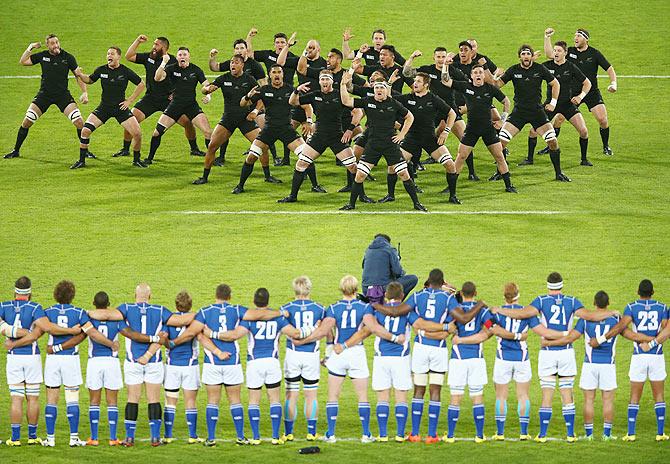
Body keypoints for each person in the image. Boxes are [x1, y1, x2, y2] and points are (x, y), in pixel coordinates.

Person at [492, 272, 620, 442]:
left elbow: (523, 314)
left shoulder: (541, 301)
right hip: (566, 351)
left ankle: (542, 435)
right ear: (561, 285)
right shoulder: (572, 301)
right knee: (567, 392)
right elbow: (589, 316)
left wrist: (499, 309)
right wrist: (610, 313)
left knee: (547, 393)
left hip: (547, 353)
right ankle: (570, 434)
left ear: (548, 285)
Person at [87, 283, 194, 447]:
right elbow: (181, 319)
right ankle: (155, 437)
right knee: (154, 399)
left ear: (134, 295)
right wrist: (205, 315)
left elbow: (106, 315)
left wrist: (86, 313)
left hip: (133, 362)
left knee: (132, 399)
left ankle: (129, 438)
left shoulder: (126, 309)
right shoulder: (160, 311)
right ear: (150, 296)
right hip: (154, 362)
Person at [10, 281, 113, 447]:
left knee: (52, 399)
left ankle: (50, 439)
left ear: (55, 295)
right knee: (72, 399)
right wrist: (111, 344)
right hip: (70, 359)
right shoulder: (79, 312)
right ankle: (73, 438)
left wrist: (14, 343)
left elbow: (35, 334)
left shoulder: (48, 312)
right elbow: (88, 333)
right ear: (72, 295)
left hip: (53, 360)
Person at [211, 288, 314, 445]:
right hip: (272, 362)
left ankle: (256, 437)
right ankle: (274, 437)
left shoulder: (250, 318)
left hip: (254, 363)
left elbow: (234, 335)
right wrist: (314, 327)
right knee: (274, 400)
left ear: (254, 301)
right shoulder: (278, 318)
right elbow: (295, 333)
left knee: (254, 401)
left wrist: (212, 334)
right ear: (268, 300)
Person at [290, 275, 380, 443]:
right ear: (356, 288)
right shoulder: (365, 307)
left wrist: (303, 340)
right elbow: (370, 328)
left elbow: (324, 331)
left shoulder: (333, 308)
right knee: (362, 396)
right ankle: (366, 434)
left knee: (333, 395)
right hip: (356, 353)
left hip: (338, 354)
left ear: (341, 289)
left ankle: (331, 434)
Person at [363, 282, 449, 442]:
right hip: (401, 358)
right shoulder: (407, 311)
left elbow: (370, 327)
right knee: (401, 396)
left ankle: (382, 435)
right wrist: (444, 327)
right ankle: (400, 434)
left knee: (383, 396)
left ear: (386, 296)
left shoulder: (376, 310)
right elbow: (420, 325)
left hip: (381, 357)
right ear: (402, 295)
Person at [1, 276, 81, 446]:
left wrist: (12, 337)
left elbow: (3, 328)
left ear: (15, 291)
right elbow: (48, 328)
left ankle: (15, 439)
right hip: (32, 357)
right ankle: (32, 436)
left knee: (16, 398)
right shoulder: (35, 308)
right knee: (33, 398)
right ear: (29, 292)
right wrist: (71, 330)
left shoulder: (4, 306)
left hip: (13, 357)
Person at [168, 284, 249, 446]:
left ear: (215, 295)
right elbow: (250, 322)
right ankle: (240, 437)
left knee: (213, 400)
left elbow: (194, 333)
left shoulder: (205, 312)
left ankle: (211, 438)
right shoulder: (238, 310)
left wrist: (174, 342)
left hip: (212, 363)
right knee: (235, 400)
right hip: (232, 361)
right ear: (230, 296)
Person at [541, 291, 621, 441]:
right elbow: (626, 331)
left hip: (590, 365)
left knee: (589, 400)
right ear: (608, 303)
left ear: (594, 303)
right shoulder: (615, 320)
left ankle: (589, 435)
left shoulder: (585, 320)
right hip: (608, 365)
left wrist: (549, 343)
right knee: (608, 400)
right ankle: (607, 435)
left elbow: (570, 338)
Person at [339, 74, 426, 211]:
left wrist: (402, 134)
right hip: (373, 144)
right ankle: (351, 204)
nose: (379, 89)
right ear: (374, 89)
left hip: (390, 145)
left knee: (404, 174)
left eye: (382, 87)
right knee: (360, 174)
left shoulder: (394, 103)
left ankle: (416, 203)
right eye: (377, 87)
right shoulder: (367, 101)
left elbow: (409, 116)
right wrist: (343, 85)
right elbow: (346, 101)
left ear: (386, 90)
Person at [595, 279, 667, 441]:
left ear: (637, 292)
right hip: (656, 356)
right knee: (659, 396)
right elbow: (666, 329)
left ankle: (631, 433)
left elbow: (622, 328)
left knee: (634, 396)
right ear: (653, 292)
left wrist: (602, 338)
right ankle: (660, 433)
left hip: (639, 356)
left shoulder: (632, 307)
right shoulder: (662, 308)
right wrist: (654, 342)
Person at [193, 54, 280, 185]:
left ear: (242, 65)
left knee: (263, 146)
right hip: (228, 119)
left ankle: (267, 176)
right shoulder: (224, 78)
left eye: (236, 62)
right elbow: (207, 89)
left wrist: (255, 111)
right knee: (211, 146)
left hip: (245, 119)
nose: (232, 65)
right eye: (231, 63)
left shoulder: (249, 80)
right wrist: (206, 90)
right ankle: (204, 177)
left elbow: (261, 98)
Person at [4, 34, 91, 163]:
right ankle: (16, 150)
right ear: (47, 45)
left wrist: (85, 92)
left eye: (57, 42)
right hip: (44, 95)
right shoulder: (43, 56)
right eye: (52, 43)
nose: (55, 45)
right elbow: (23, 61)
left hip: (62, 96)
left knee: (79, 123)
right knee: (27, 122)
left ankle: (86, 152)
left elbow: (78, 75)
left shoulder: (68, 57)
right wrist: (30, 47)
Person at [278, 69, 360, 203]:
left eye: (327, 79)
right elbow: (292, 102)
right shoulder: (315, 95)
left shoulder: (340, 95)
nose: (325, 82)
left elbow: (357, 113)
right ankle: (292, 196)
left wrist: (350, 130)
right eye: (322, 79)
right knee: (301, 164)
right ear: (320, 81)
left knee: (353, 167)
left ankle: (361, 196)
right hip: (319, 136)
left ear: (332, 81)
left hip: (336, 136)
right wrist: (296, 90)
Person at [116, 35, 205, 159]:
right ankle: (125, 149)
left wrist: (176, 93)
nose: (153, 46)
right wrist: (137, 41)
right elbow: (129, 56)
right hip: (150, 98)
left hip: (168, 100)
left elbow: (183, 78)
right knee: (131, 118)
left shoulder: (173, 60)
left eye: (156, 45)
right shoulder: (149, 57)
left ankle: (194, 149)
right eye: (154, 44)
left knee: (188, 122)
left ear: (164, 47)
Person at [493, 45, 571, 182]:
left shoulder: (539, 69)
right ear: (520, 57)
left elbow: (555, 84)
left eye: (528, 53)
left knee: (553, 142)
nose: (526, 56)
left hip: (537, 112)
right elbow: (496, 86)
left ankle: (558, 173)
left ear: (531, 56)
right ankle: (500, 172)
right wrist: (495, 76)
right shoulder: (513, 70)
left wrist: (553, 102)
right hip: (519, 112)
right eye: (523, 53)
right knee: (500, 143)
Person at [441, 62, 515, 202]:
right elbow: (445, 81)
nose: (478, 75)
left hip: (488, 129)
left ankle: (509, 185)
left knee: (499, 157)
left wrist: (502, 120)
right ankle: (452, 191)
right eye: (475, 73)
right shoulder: (465, 87)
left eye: (480, 72)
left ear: (484, 75)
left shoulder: (490, 88)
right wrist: (445, 65)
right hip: (471, 130)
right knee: (461, 157)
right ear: (471, 76)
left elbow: (506, 101)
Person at [402, 47, 479, 181]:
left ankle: (471, 172)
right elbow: (407, 73)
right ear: (434, 58)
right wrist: (412, 58)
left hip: (449, 109)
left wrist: (465, 104)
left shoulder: (452, 70)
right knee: (420, 135)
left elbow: (467, 84)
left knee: (464, 139)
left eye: (443, 57)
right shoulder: (427, 70)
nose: (441, 59)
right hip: (431, 110)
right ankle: (415, 166)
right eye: (438, 57)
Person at [233, 65, 311, 194]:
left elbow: (307, 106)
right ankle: (240, 186)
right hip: (269, 130)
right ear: (270, 75)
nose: (276, 75)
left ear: (283, 75)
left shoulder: (290, 90)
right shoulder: (263, 90)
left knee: (305, 156)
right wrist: (248, 96)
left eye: (279, 72)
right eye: (274, 72)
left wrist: (308, 120)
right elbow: (242, 104)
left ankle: (315, 185)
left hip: (286, 129)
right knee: (251, 157)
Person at [544, 28, 617, 156]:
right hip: (572, 94)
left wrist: (613, 83)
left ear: (586, 39)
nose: (575, 38)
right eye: (575, 36)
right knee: (559, 119)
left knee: (602, 119)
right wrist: (547, 37)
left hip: (591, 92)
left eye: (579, 36)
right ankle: (550, 146)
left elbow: (609, 69)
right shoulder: (570, 51)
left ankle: (606, 146)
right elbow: (551, 55)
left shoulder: (594, 54)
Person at [71, 46, 145, 169]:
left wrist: (129, 101)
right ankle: (81, 161)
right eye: (108, 54)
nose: (109, 56)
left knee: (137, 133)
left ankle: (136, 160)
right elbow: (89, 80)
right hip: (104, 108)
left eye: (112, 54)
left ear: (118, 56)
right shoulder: (101, 70)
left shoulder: (125, 71)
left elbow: (141, 84)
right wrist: (80, 74)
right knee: (85, 130)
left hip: (120, 108)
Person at [523, 40, 592, 167]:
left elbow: (587, 83)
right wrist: (531, 60)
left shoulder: (571, 67)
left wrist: (580, 96)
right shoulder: (546, 66)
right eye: (555, 50)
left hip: (567, 105)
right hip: (550, 105)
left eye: (559, 51)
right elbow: (530, 70)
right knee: (533, 131)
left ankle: (584, 159)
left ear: (565, 53)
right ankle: (529, 159)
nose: (556, 53)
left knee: (583, 131)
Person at [394, 73, 457, 201]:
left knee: (450, 165)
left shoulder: (433, 99)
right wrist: (389, 83)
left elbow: (452, 114)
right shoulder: (407, 98)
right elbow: (389, 99)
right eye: (415, 81)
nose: (415, 83)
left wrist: (446, 131)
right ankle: (390, 195)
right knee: (393, 165)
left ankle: (453, 195)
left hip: (429, 139)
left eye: (418, 81)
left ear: (426, 85)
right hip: (411, 138)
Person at [144, 47, 212, 165]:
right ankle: (149, 158)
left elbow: (206, 85)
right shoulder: (171, 68)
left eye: (184, 55)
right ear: (177, 57)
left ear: (189, 57)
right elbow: (157, 78)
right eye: (180, 55)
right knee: (157, 132)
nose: (182, 57)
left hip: (191, 106)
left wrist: (208, 95)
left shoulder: (196, 70)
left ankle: (212, 159)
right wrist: (164, 62)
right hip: (174, 106)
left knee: (207, 132)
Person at [208, 38, 266, 166]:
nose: (239, 51)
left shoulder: (255, 65)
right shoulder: (232, 63)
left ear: (247, 50)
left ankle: (273, 158)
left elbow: (264, 86)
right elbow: (215, 68)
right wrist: (212, 58)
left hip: (251, 105)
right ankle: (221, 157)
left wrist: (257, 108)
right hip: (232, 108)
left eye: (242, 48)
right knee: (224, 132)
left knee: (263, 134)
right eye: (237, 48)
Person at [279, 277, 324, 441]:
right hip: (311, 355)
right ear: (309, 289)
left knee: (291, 395)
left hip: (293, 355)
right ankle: (311, 433)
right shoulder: (319, 308)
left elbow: (285, 330)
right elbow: (323, 331)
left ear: (295, 290)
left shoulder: (286, 308)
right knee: (311, 395)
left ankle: (288, 433)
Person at [85, 291, 130, 447]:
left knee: (94, 401)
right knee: (112, 402)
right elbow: (128, 332)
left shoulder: (89, 318)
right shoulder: (117, 319)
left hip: (95, 362)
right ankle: (113, 438)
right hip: (112, 362)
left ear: (93, 303)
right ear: (109, 303)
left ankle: (94, 438)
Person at [162, 291, 204, 444]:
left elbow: (164, 341)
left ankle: (167, 435)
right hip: (190, 366)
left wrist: (169, 343)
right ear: (191, 305)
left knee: (170, 401)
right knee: (190, 401)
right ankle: (192, 436)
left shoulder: (169, 320)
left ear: (176, 304)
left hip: (172, 366)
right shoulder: (194, 320)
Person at [360, 234, 418, 299]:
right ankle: (396, 303)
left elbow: (364, 267)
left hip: (366, 289)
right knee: (413, 279)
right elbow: (398, 272)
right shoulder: (390, 249)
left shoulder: (368, 251)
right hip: (383, 288)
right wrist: (397, 260)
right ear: (388, 241)